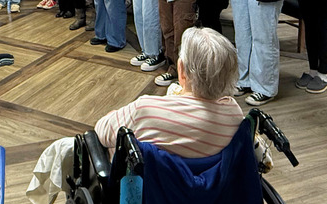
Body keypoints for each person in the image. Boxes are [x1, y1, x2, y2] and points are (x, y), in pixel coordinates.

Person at [95, 27, 244, 158]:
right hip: (213, 181)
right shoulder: (234, 116)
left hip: (156, 180)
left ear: (182, 70)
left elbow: (101, 133)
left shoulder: (145, 110)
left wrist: (113, 116)